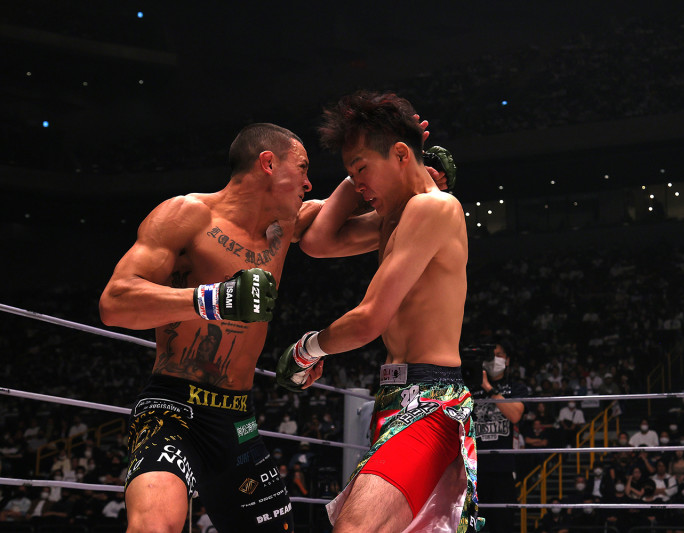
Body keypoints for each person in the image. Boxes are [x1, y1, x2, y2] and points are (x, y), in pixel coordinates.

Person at [99, 122, 322, 533]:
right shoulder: (186, 214)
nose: (309, 182)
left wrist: (415, 171)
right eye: (303, 167)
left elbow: (371, 214)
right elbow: (115, 303)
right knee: (154, 526)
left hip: (238, 419)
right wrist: (215, 299)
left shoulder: (284, 227)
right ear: (268, 163)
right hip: (172, 409)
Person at [276, 91, 478, 532]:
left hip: (428, 403)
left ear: (401, 155)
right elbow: (318, 241)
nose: (358, 184)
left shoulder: (434, 207)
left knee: (354, 527)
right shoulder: (394, 218)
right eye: (351, 174)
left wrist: (307, 349)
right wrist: (365, 172)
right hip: (394, 399)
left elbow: (369, 319)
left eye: (362, 168)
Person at [472, 342, 525, 532]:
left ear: (507, 360)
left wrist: (489, 388)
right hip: (475, 470)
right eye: (490, 355)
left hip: (503, 468)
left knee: (503, 524)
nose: (495, 359)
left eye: (499, 355)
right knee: (476, 526)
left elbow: (515, 415)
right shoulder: (470, 388)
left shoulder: (515, 388)